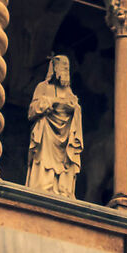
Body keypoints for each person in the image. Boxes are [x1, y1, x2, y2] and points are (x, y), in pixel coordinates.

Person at [24, 56, 82, 198]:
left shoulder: (70, 92)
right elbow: (32, 111)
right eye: (62, 67)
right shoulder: (43, 87)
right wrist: (50, 102)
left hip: (67, 134)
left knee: (65, 166)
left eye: (67, 67)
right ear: (54, 69)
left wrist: (74, 108)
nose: (65, 70)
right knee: (44, 164)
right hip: (47, 134)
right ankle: (43, 186)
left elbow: (76, 108)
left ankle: (63, 189)